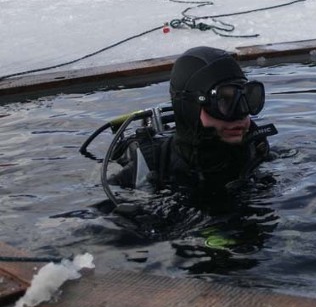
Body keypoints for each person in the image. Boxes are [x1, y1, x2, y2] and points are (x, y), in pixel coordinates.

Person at [102, 46, 277, 200]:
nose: (240, 115)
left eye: (246, 100)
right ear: (190, 107)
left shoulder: (255, 150)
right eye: (225, 101)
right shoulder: (152, 165)